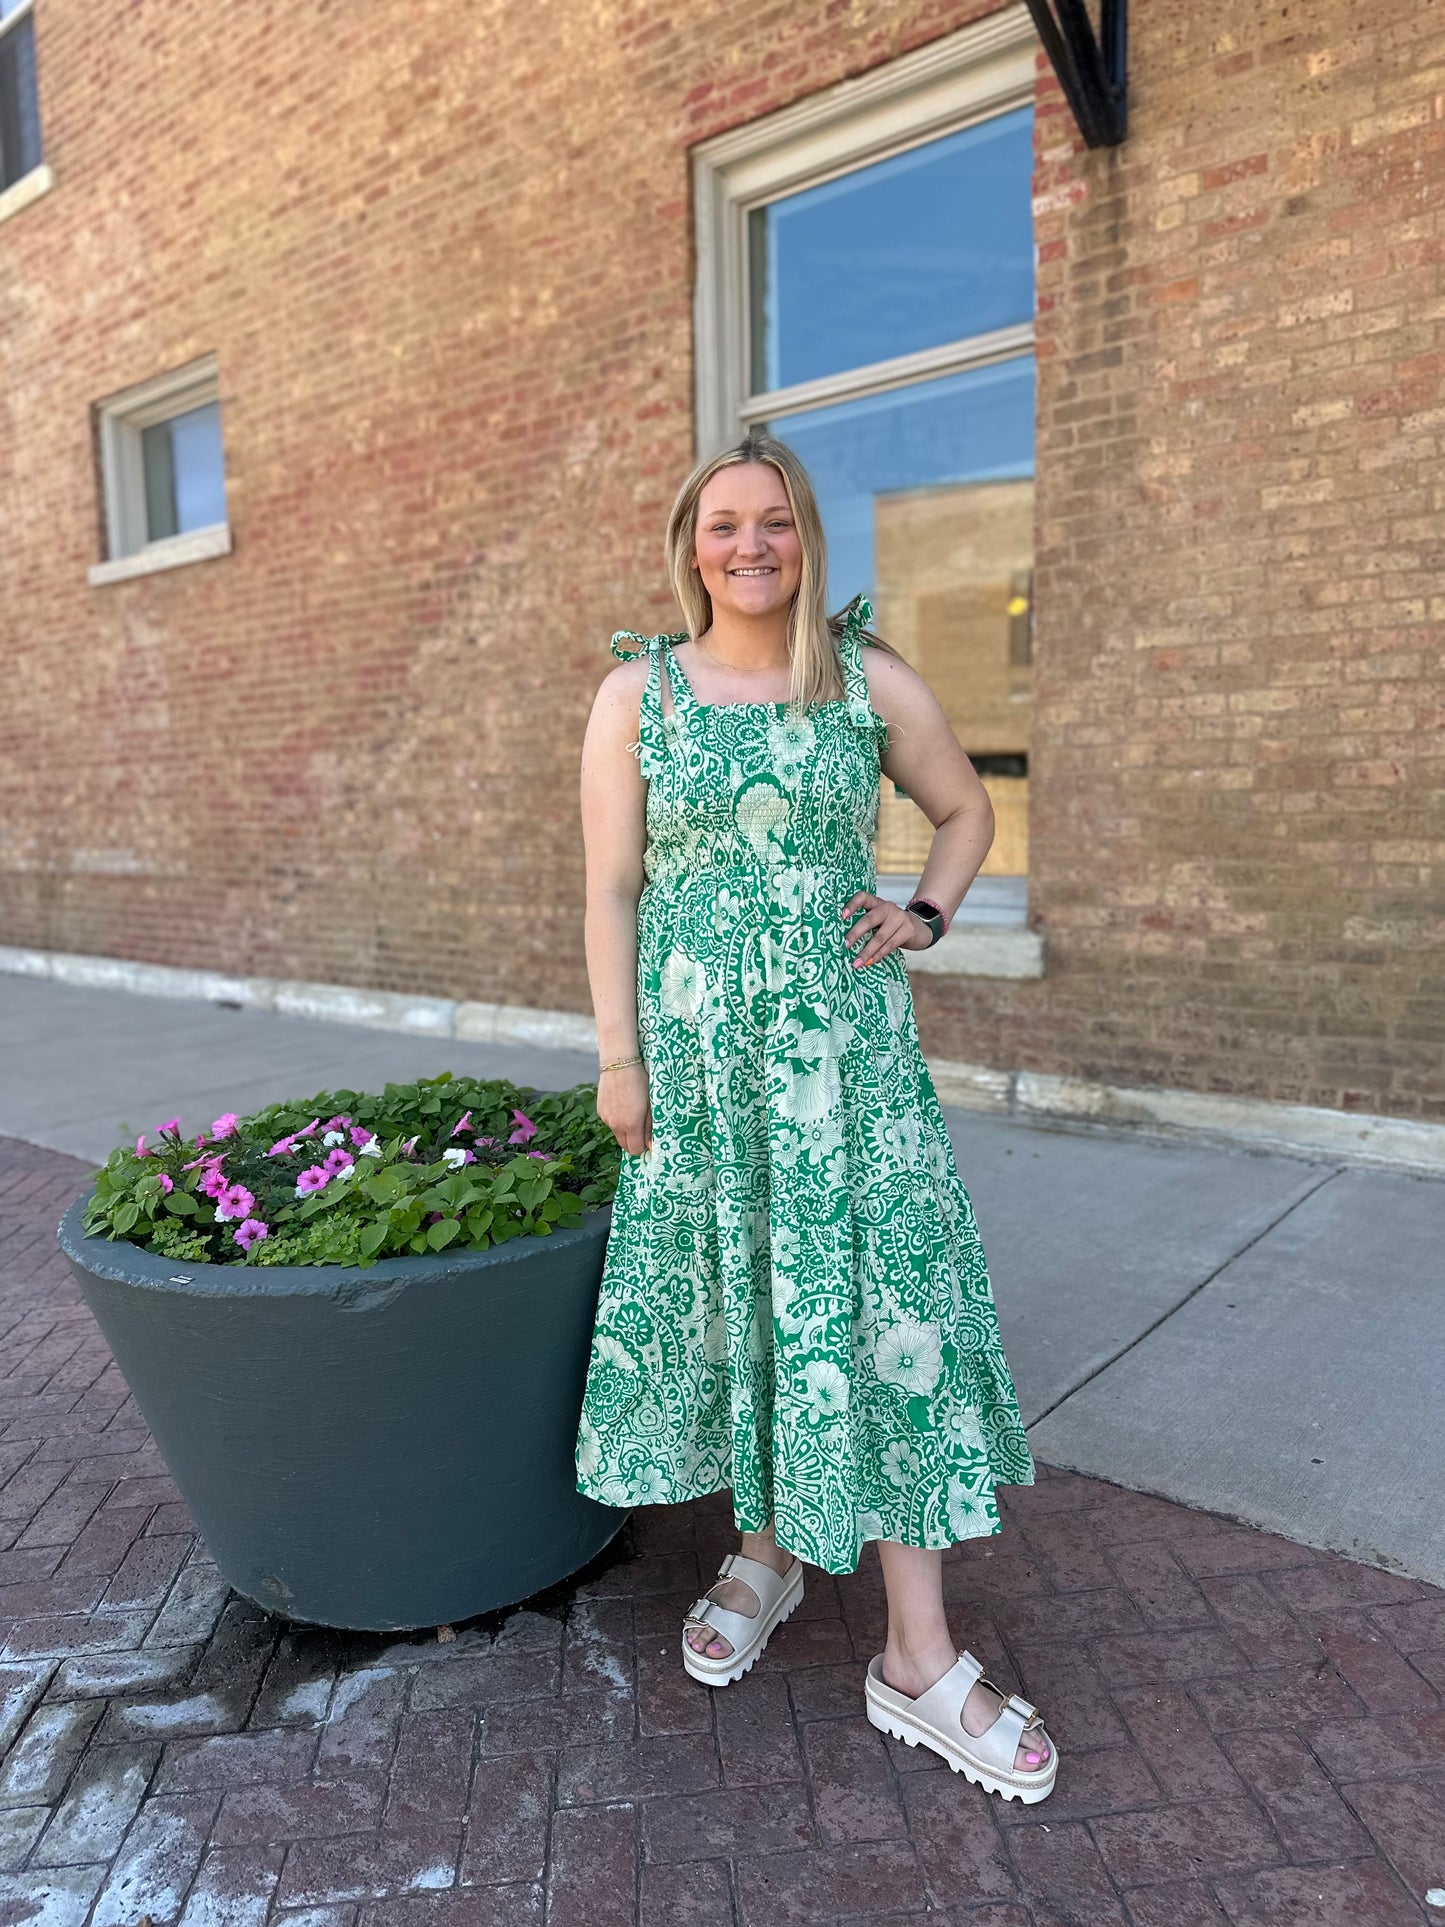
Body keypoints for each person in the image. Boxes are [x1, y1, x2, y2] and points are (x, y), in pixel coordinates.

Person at [574, 428, 1055, 1804]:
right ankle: (768, 1547)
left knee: (882, 1314)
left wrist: (922, 914)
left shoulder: (862, 679)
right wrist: (622, 1061)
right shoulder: (636, 695)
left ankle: (915, 1654)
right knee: (742, 1296)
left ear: (806, 539)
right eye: (722, 524)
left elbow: (962, 813)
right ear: (689, 546)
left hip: (849, 1065)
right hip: (698, 1064)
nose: (748, 546)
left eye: (772, 522)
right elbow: (612, 887)